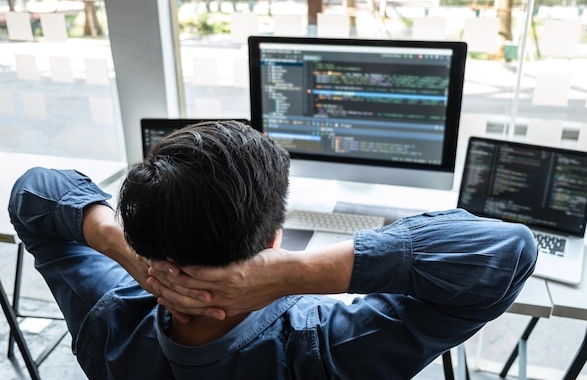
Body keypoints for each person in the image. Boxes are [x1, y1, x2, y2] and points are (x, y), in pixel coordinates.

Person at [8, 120, 537, 380]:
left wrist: (131, 257)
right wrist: (292, 275)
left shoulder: (107, 320)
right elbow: (505, 251)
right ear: (272, 243)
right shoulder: (327, 351)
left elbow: (34, 190)